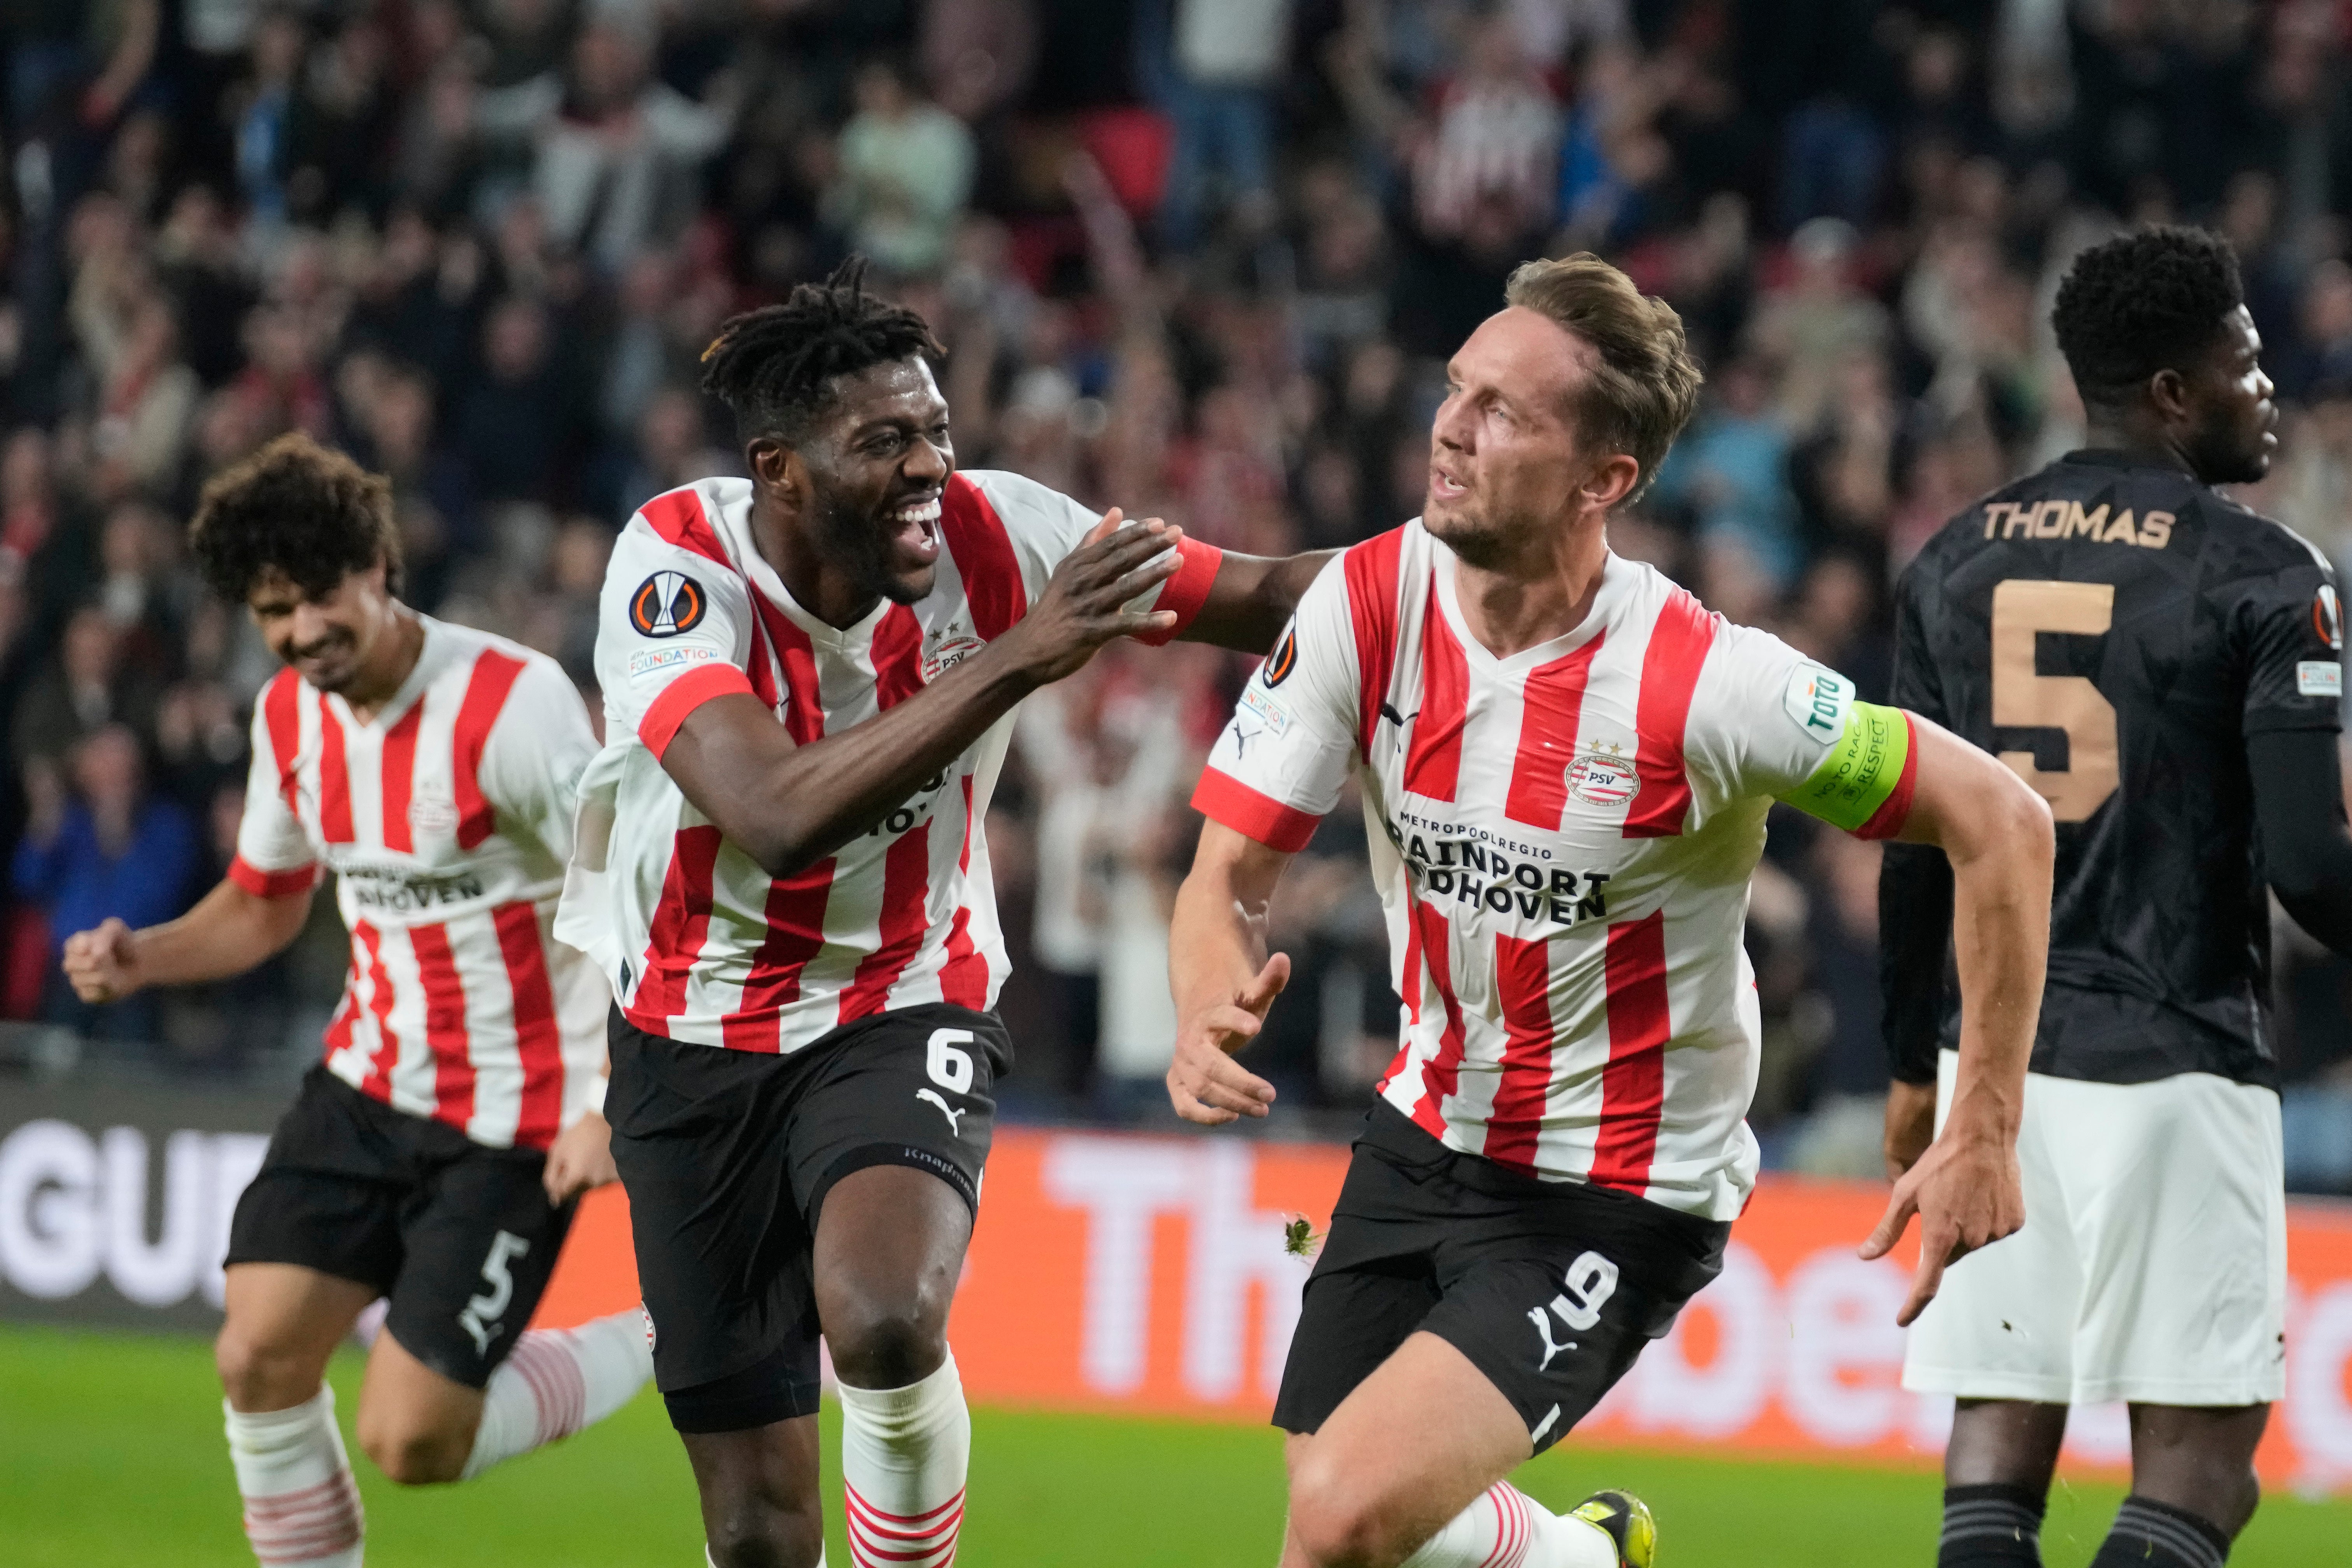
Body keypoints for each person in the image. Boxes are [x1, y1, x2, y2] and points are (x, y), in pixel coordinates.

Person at [1163, 253, 2056, 1568]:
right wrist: (1201, 1005)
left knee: (1339, 1518)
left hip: (1618, 1185)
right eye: (1456, 390)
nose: (1453, 429)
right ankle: (1588, 1558)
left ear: (1606, 481)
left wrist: (1985, 1119)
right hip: (1424, 1130)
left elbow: (2004, 824)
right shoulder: (1366, 600)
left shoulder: (1712, 684)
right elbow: (1222, 880)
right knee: (1367, 1515)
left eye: (1505, 412)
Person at [553, 257, 1326, 1568]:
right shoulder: (678, 568)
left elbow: (1262, 592)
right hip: (690, 1029)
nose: (929, 469)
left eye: (937, 432)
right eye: (885, 443)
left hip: (906, 995)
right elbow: (774, 813)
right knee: (756, 1533)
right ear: (782, 473)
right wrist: (1029, 655)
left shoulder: (1006, 530)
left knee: (885, 1315)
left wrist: (1467, 579)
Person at [58, 434, 651, 1568]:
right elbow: (264, 903)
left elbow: (636, 905)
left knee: (412, 1439)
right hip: (366, 1086)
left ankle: (682, 1340)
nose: (299, 633)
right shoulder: (289, 719)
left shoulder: (511, 708)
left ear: (378, 568)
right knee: (256, 1358)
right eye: (272, 612)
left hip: (515, 1124)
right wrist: (148, 957)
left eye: (319, 597)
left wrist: (608, 1102)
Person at [1884, 225, 2352, 1568]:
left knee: (1993, 1457)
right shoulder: (2265, 571)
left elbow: (1913, 842)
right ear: (2171, 391)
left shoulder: (1952, 562)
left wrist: (1922, 1065)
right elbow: (2311, 867)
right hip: (2178, 1055)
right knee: (2203, 1479)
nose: (2270, 389)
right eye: (2246, 363)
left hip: (2001, 1072)